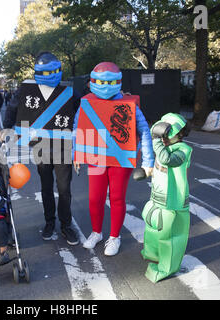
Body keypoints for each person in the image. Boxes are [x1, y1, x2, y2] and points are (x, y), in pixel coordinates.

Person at [0, 51, 80, 246]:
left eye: (55, 71)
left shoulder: (68, 93)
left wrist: (120, 97)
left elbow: (87, 107)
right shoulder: (26, 91)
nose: (51, 75)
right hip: (40, 145)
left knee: (64, 189)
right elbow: (12, 109)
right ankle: (49, 222)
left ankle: (66, 225)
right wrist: (6, 129)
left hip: (63, 146)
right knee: (46, 188)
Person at [73, 62, 154, 256]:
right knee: (95, 198)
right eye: (101, 81)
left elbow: (144, 131)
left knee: (117, 197)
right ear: (92, 81)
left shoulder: (128, 104)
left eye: (110, 81)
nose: (105, 85)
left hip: (121, 158)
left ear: (118, 82)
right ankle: (96, 232)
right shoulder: (87, 102)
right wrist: (76, 153)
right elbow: (77, 128)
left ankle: (115, 236)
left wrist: (148, 162)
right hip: (96, 157)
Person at [140, 113, 192, 283]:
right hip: (157, 199)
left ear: (180, 133)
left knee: (170, 237)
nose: (164, 137)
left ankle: (166, 268)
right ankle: (153, 254)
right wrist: (146, 172)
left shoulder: (183, 150)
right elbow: (160, 165)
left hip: (173, 203)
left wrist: (155, 139)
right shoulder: (165, 146)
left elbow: (166, 160)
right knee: (153, 228)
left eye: (167, 133)